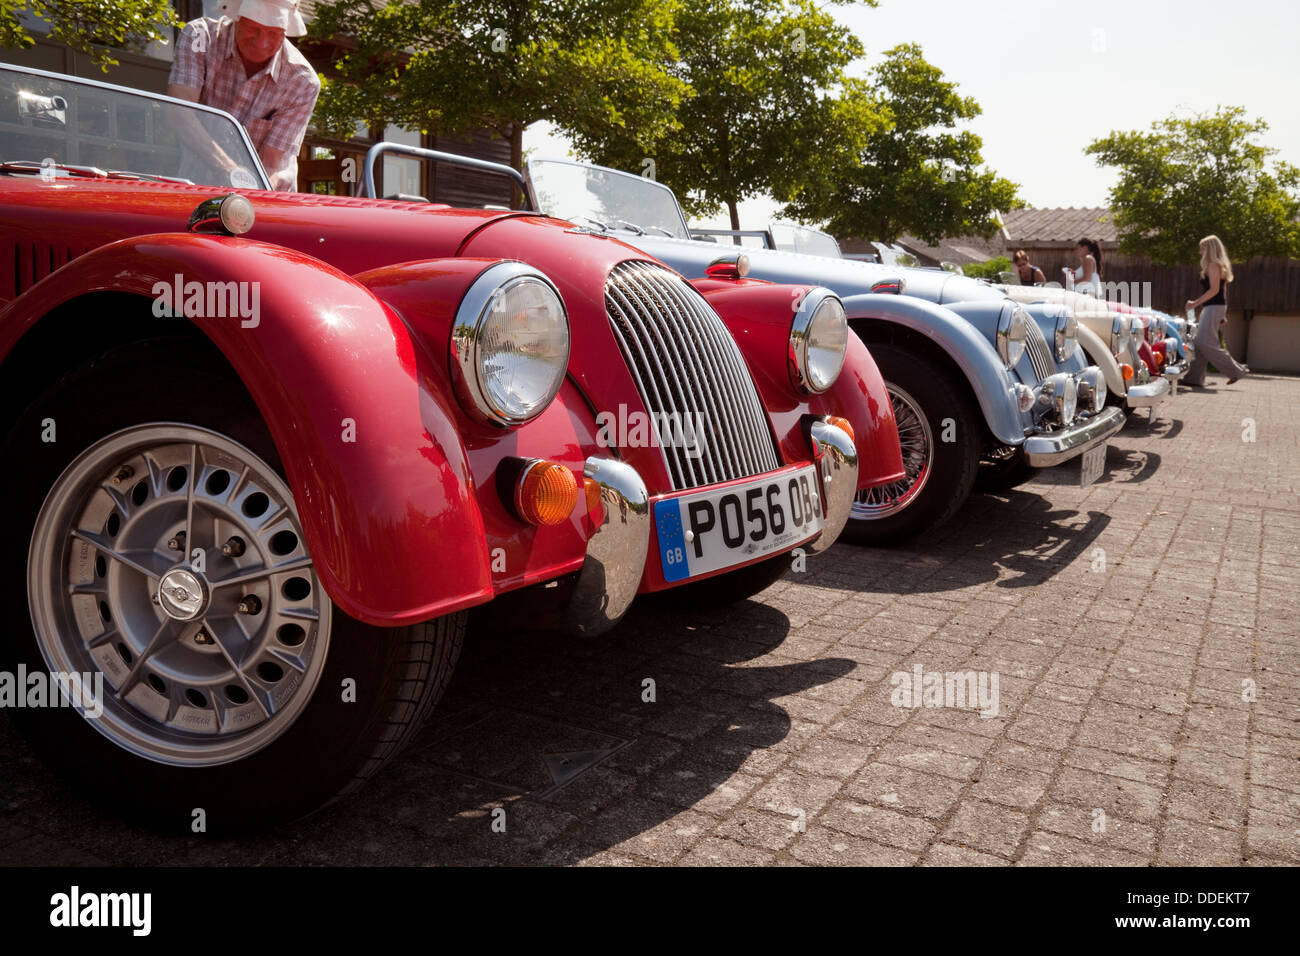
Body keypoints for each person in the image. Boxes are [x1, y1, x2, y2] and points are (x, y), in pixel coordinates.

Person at [168, 0, 320, 191]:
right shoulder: (200, 37)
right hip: (196, 186)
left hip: (266, 193)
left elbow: (271, 161)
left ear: (285, 31)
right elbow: (180, 114)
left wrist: (247, 192)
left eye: (274, 33)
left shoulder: (302, 81)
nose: (261, 42)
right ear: (237, 16)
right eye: (253, 28)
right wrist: (231, 171)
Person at [1183, 234, 1249, 386]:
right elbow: (1223, 291)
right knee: (1199, 343)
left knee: (1205, 343)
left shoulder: (1213, 265)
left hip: (1213, 307)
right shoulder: (1216, 265)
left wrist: (1194, 303)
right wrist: (1223, 314)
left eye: (1202, 248)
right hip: (1215, 307)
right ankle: (1194, 379)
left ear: (1209, 249)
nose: (1200, 252)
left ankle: (1236, 371)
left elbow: (1214, 290)